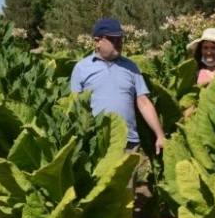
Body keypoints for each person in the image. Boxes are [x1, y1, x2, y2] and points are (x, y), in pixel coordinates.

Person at [70, 17, 165, 155]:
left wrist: (160, 134)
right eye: (113, 39)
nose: (119, 43)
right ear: (97, 41)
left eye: (120, 39)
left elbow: (143, 102)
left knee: (129, 177)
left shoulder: (131, 66)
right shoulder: (82, 67)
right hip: (96, 142)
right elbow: (74, 106)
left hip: (129, 141)